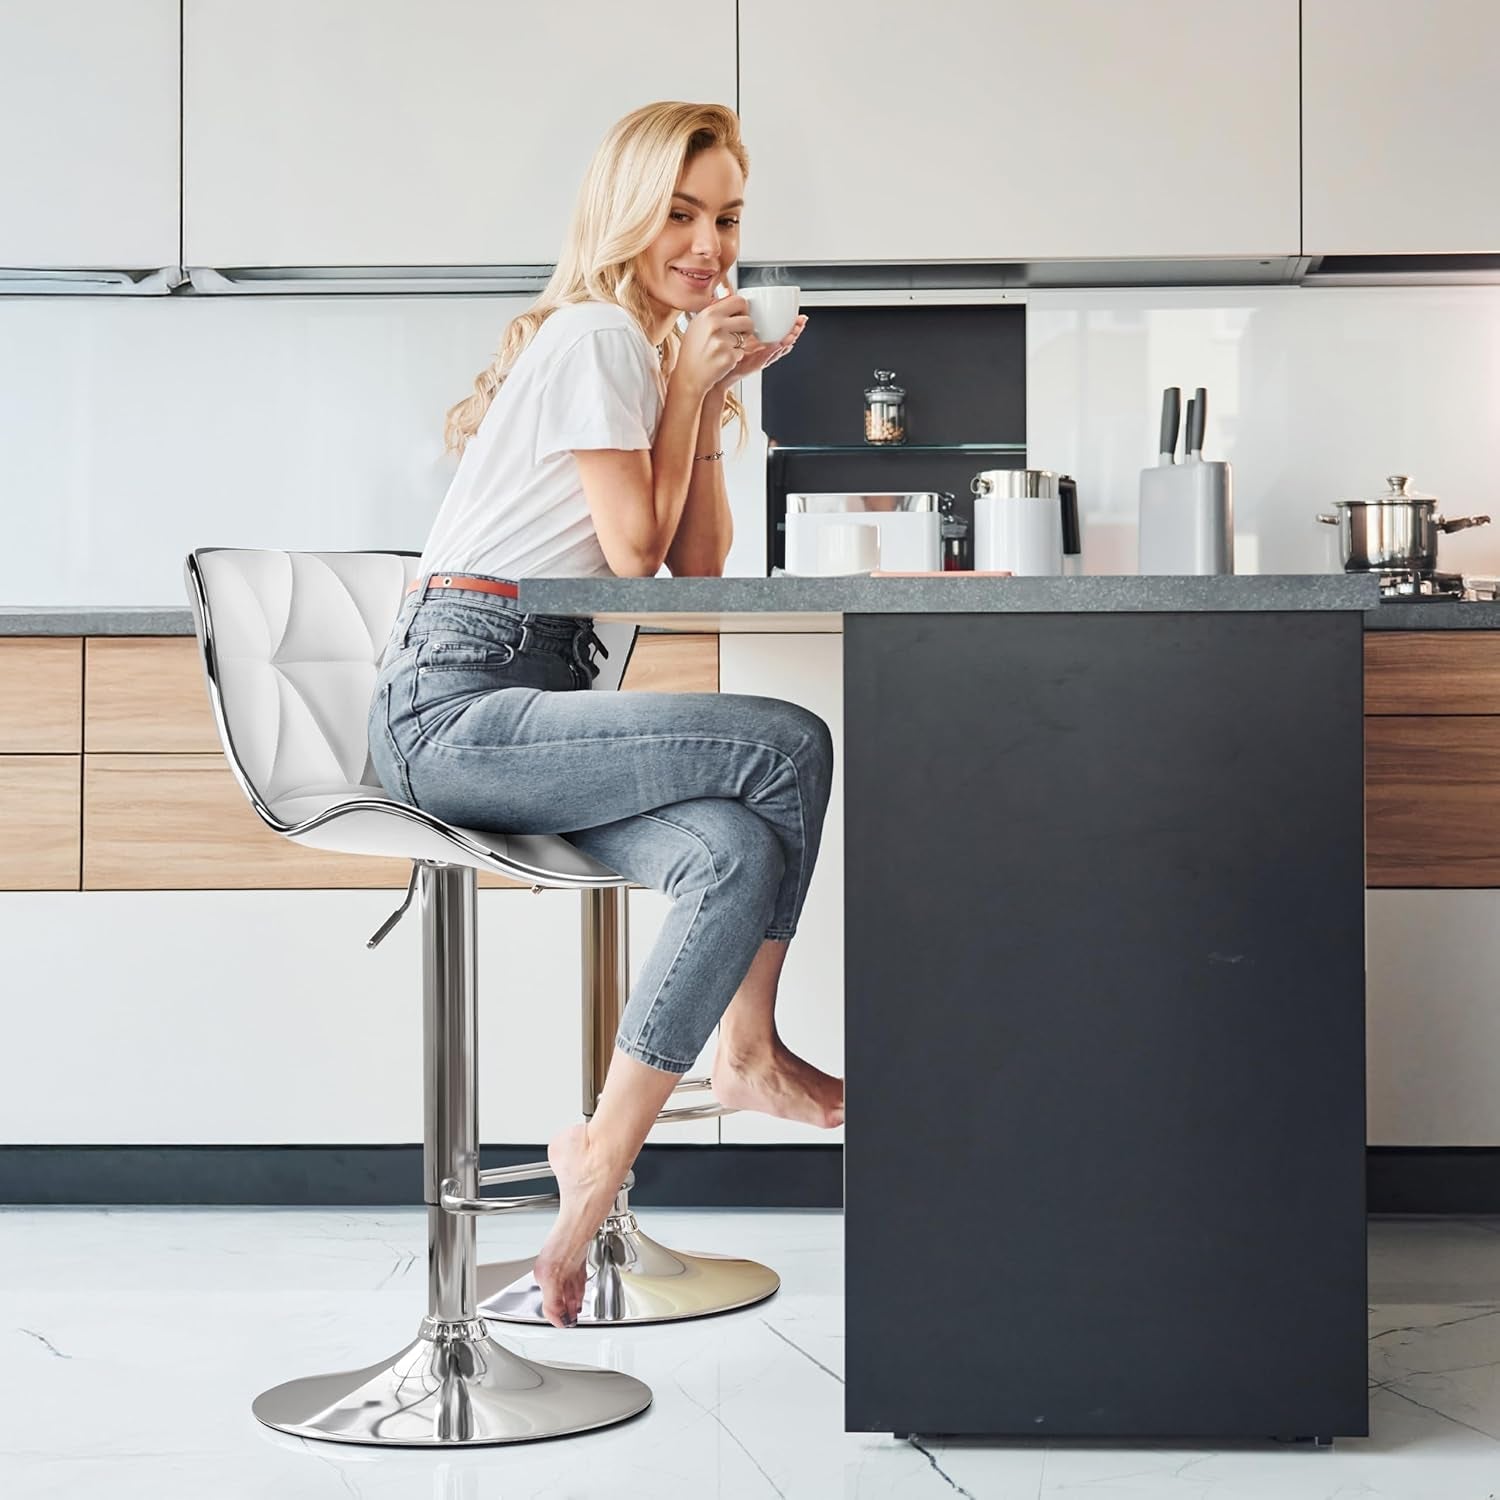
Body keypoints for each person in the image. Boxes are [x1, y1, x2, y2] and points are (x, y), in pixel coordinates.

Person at [368, 101, 841, 1329]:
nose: (709, 244)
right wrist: (687, 382)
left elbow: (699, 558)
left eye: (728, 217)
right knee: (787, 743)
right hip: (457, 705)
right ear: (624, 215)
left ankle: (594, 1179)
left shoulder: (649, 351)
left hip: (537, 695)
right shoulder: (595, 337)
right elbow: (635, 559)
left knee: (735, 844)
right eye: (680, 214)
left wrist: (713, 396)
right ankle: (744, 1056)